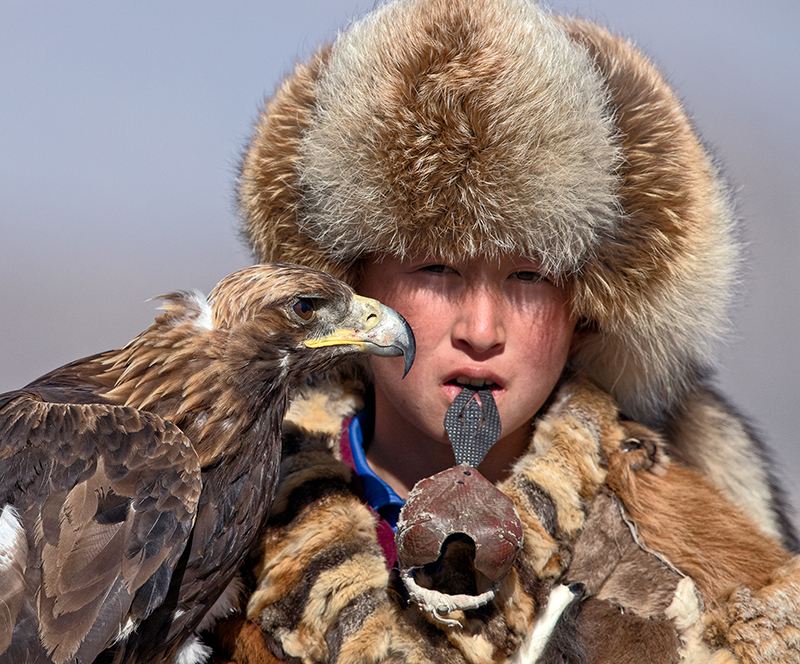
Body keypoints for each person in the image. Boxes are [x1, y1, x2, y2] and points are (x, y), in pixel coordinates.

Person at [208, 0, 800, 662]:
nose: (482, 330)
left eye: (529, 276)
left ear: (587, 313)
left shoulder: (713, 594)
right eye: (437, 267)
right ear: (352, 282)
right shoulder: (197, 545)